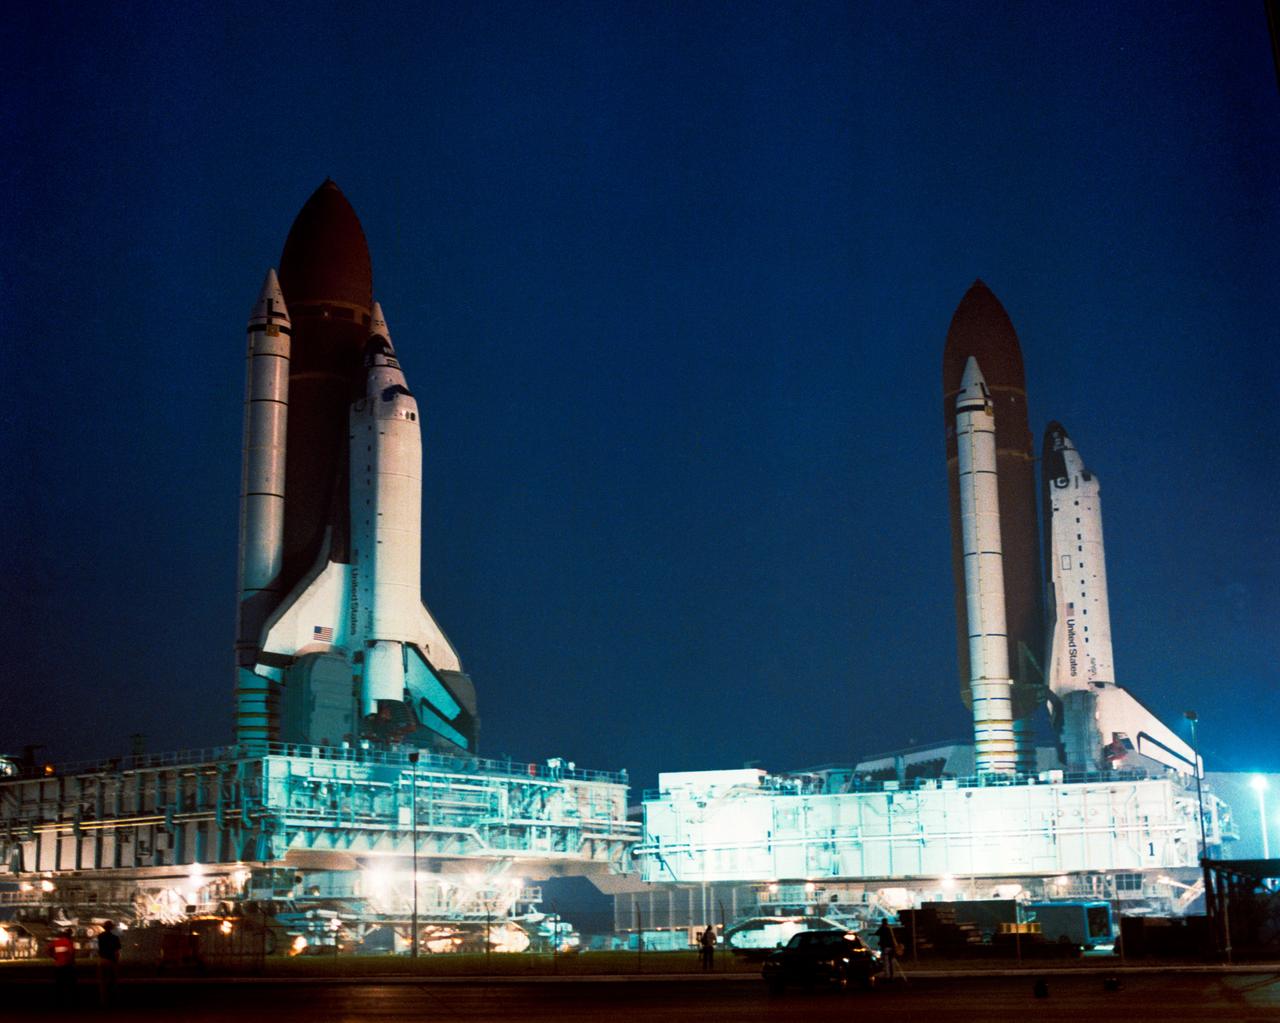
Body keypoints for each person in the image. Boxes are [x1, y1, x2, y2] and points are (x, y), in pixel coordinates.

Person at [48, 928, 76, 1005]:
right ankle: (70, 1001)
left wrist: (54, 956)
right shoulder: (69, 942)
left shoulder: (56, 942)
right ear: (69, 935)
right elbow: (71, 953)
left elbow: (48, 949)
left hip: (58, 965)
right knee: (70, 985)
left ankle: (59, 1001)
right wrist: (72, 961)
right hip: (67, 966)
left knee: (59, 984)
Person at [97, 920, 121, 1007]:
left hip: (102, 960)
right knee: (113, 981)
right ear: (112, 928)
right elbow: (117, 951)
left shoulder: (100, 937)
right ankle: (114, 1000)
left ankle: (104, 1001)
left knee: (102, 983)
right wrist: (116, 962)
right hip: (111, 960)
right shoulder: (115, 938)